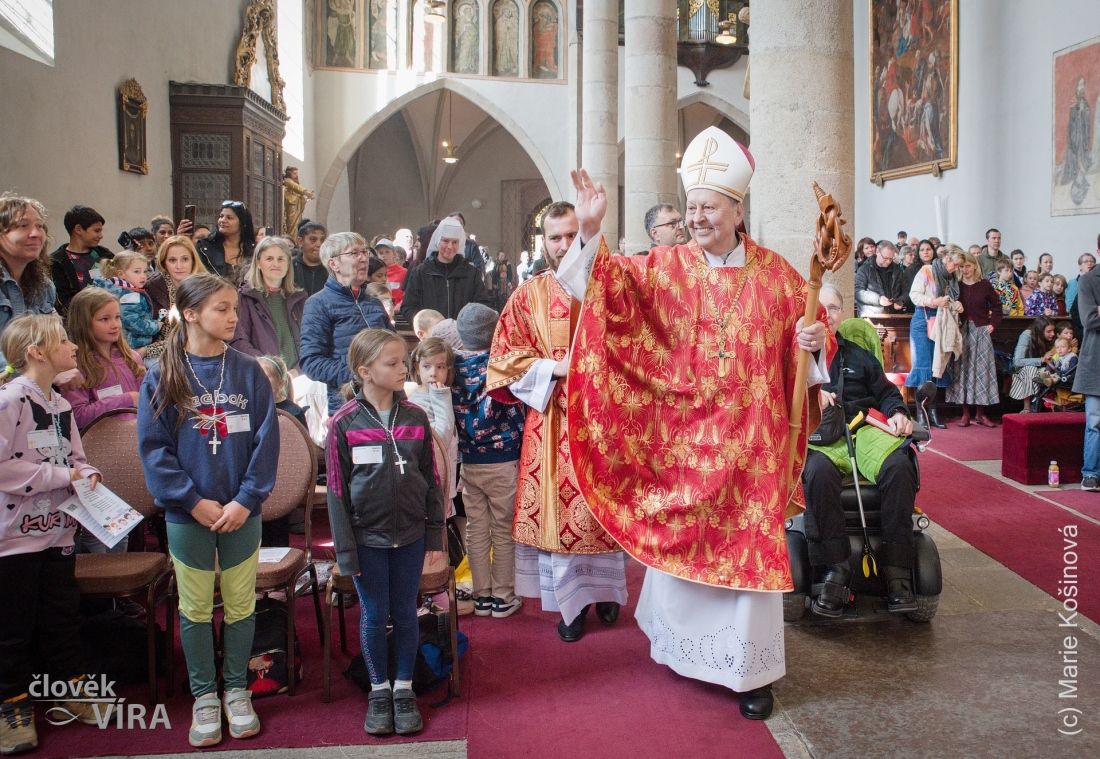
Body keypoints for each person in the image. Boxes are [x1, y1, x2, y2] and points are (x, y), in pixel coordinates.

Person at [560, 127, 831, 720]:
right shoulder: (664, 267)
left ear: (738, 210)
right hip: (684, 445)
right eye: (692, 207)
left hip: (755, 448)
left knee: (750, 551)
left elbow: (808, 345)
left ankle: (752, 675)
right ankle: (684, 652)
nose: (698, 217)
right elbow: (604, 291)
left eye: (710, 207)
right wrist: (589, 231)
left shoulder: (779, 275)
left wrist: (813, 342)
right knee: (687, 544)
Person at [138, 274, 277, 747]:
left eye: (234, 308)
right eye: (222, 309)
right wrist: (191, 500)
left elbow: (266, 442)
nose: (234, 317)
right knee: (195, 607)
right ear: (191, 313)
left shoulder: (247, 370)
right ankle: (204, 696)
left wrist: (246, 499)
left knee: (240, 604)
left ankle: (236, 689)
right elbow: (154, 449)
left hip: (241, 511)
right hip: (188, 514)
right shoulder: (163, 373)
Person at [488, 200, 629, 642]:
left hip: (608, 419)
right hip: (554, 422)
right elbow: (503, 360)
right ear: (544, 243)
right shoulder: (528, 295)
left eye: (573, 234)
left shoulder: (612, 287)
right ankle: (572, 606)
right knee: (564, 513)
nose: (565, 244)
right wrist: (553, 368)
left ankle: (607, 593)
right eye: (556, 237)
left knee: (605, 512)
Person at [326, 329, 444, 736]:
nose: (403, 369)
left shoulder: (415, 417)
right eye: (392, 363)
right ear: (365, 371)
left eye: (403, 361)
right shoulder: (343, 422)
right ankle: (379, 691)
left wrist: (434, 535)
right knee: (375, 615)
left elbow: (431, 482)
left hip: (410, 535)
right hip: (366, 540)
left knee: (406, 613)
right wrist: (346, 552)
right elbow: (337, 494)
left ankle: (404, 688)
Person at [0, 315, 104, 755]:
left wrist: (88, 472)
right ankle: (12, 708)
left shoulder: (58, 403)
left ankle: (70, 690)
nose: (73, 346)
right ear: (36, 351)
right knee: (12, 628)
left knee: (62, 617)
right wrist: (63, 475)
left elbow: (75, 457)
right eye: (63, 340)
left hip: (58, 532)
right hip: (14, 539)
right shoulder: (9, 400)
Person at [803, 285, 918, 616]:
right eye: (820, 308)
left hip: (863, 429)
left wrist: (899, 412)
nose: (827, 314)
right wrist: (813, 399)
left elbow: (887, 393)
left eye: (833, 308)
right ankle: (836, 569)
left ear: (842, 314)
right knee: (816, 472)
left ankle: (897, 573)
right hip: (822, 435)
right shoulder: (797, 358)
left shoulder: (859, 355)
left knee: (900, 466)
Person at [451, 303, 526, 620]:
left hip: (469, 462)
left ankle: (481, 596)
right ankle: (503, 597)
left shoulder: (450, 367)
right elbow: (518, 412)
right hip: (503, 460)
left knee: (476, 530)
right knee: (503, 530)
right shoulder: (501, 367)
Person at [299, 232, 394, 414]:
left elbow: (394, 347)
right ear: (333, 264)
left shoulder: (374, 303)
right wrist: (360, 376)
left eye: (364, 252)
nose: (363, 259)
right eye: (354, 253)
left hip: (388, 400)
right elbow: (312, 361)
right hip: (349, 405)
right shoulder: (318, 304)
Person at [62, 286, 145, 431]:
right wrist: (126, 399)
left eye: (117, 317)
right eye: (105, 319)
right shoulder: (75, 366)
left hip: (138, 436)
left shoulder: (133, 358)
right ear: (84, 323)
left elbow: (148, 402)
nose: (115, 325)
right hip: (102, 441)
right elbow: (78, 417)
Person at [907, 246, 965, 426]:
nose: (957, 268)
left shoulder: (950, 277)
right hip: (923, 319)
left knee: (937, 366)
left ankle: (933, 412)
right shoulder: (927, 270)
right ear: (947, 259)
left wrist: (956, 304)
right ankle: (921, 413)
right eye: (956, 264)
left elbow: (948, 301)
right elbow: (914, 295)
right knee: (923, 367)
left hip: (940, 321)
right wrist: (933, 301)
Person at [231, 237, 306, 372]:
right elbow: (238, 341)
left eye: (281, 259)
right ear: (258, 263)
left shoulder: (300, 298)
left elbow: (311, 341)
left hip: (298, 376)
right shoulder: (245, 298)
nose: (275, 264)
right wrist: (269, 366)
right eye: (269, 259)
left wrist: (298, 370)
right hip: (262, 374)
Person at [946, 249, 1002, 427]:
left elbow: (997, 306)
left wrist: (992, 324)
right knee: (962, 371)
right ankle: (965, 413)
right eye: (962, 266)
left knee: (981, 372)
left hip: (980, 331)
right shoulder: (956, 285)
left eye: (968, 266)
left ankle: (980, 414)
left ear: (975, 266)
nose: (965, 269)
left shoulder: (984, 284)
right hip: (961, 331)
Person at [399, 217, 492, 323]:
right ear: (438, 241)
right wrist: (426, 323)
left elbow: (482, 306)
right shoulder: (420, 272)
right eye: (445, 241)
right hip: (431, 332)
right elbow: (408, 307)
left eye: (455, 242)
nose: (450, 247)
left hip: (461, 332)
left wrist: (466, 325)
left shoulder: (472, 274)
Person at [0, 194, 57, 367]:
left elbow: (53, 339)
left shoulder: (44, 286)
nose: (36, 234)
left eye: (39, 226)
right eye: (23, 226)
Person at [407, 337, 459, 507]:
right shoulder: (418, 401)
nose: (433, 373)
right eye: (426, 366)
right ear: (417, 368)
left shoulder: (442, 393)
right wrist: (441, 398)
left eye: (440, 367)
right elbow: (441, 439)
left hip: (445, 478)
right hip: (432, 483)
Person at [94, 251, 164, 355]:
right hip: (132, 345)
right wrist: (155, 326)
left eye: (145, 271)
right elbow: (132, 322)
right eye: (137, 272)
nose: (143, 276)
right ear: (121, 274)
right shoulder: (130, 296)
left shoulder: (117, 289)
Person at [51, 205, 113, 316]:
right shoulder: (57, 262)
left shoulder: (104, 254)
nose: (101, 236)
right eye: (96, 231)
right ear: (78, 229)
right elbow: (62, 301)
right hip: (80, 320)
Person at [196, 201, 256, 281]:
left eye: (229, 218)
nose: (223, 220)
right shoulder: (204, 247)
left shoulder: (254, 250)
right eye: (221, 216)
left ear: (243, 223)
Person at [1010, 317, 1056, 412]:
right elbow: (1017, 361)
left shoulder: (1051, 338)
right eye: (1049, 331)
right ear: (1040, 330)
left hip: (1045, 369)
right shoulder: (1027, 335)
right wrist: (1041, 359)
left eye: (1053, 331)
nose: (1053, 334)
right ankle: (1027, 408)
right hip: (1024, 370)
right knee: (1031, 369)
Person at [855, 240, 907, 315]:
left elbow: (906, 290)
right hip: (871, 314)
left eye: (891, 258)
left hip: (894, 314)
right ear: (877, 252)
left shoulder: (897, 270)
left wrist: (901, 300)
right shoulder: (864, 270)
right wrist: (878, 299)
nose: (888, 261)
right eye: (885, 258)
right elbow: (858, 292)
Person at [257, 355, 306, 428]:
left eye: (265, 376)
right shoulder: (248, 407)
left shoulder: (293, 412)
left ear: (280, 384)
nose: (258, 380)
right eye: (255, 375)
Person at [293, 221, 328, 297]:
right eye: (313, 239)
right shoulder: (290, 268)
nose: (319, 244)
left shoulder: (332, 268)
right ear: (300, 241)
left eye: (322, 240)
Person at [373, 238, 407, 306]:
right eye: (381, 253)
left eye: (387, 252)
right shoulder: (373, 272)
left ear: (394, 254)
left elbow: (408, 293)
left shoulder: (404, 272)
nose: (384, 255)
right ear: (377, 255)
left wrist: (400, 304)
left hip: (398, 310)